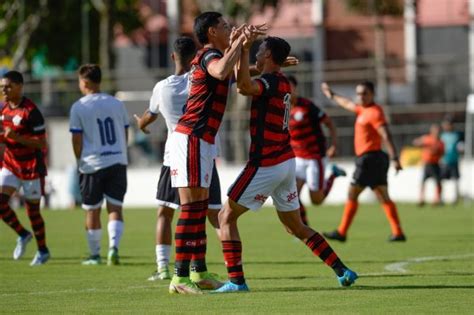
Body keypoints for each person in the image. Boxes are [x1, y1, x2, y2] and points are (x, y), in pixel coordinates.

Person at [214, 34, 358, 293]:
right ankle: (342, 270)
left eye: (261, 50)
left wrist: (243, 48)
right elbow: (243, 78)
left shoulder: (270, 82)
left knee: (225, 216)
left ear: (268, 56)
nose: (257, 52)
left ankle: (236, 282)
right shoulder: (280, 81)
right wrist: (246, 53)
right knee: (295, 227)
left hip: (266, 163)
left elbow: (244, 86)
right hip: (286, 162)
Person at [166, 12, 265, 295]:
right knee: (191, 208)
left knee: (199, 209)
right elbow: (222, 71)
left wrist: (250, 52)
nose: (229, 28)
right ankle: (179, 278)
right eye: (224, 26)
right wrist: (239, 43)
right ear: (211, 32)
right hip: (191, 138)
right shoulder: (208, 55)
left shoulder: (217, 56)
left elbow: (237, 75)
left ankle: (198, 273)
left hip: (203, 141)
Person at [134, 37, 222, 289]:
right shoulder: (203, 79)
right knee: (207, 212)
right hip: (204, 151)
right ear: (196, 56)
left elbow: (149, 117)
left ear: (173, 56)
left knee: (167, 211)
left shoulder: (162, 88)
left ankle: (165, 267)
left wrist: (141, 124)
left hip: (175, 154)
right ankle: (199, 269)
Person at [321, 81, 406, 242]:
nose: (360, 96)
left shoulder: (375, 112)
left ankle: (342, 232)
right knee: (383, 195)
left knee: (352, 193)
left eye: (364, 93)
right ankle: (398, 232)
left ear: (372, 94)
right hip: (373, 159)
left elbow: (385, 135)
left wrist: (395, 157)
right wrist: (331, 95)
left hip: (369, 159)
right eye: (359, 93)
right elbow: (347, 103)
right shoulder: (362, 109)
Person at [69, 64, 129, 266]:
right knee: (115, 208)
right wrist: (121, 152)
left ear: (84, 82)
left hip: (91, 164)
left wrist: (79, 160)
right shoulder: (117, 103)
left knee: (92, 210)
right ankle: (114, 248)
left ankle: (95, 255)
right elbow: (125, 132)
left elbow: (76, 140)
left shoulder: (78, 107)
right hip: (117, 161)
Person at [0, 70, 50, 265]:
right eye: (2, 86)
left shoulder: (31, 111)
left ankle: (43, 250)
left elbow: (42, 143)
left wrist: (17, 137)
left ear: (20, 87)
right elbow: (6, 136)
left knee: (33, 212)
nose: (4, 89)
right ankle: (22, 234)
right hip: (11, 165)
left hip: (31, 168)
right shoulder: (4, 110)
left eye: (8, 86)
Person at [287, 75, 346, 226]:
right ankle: (303, 228)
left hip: (315, 157)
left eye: (290, 87)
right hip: (297, 159)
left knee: (316, 200)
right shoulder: (283, 109)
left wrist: (334, 145)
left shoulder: (307, 106)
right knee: (292, 196)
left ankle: (333, 174)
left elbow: (329, 123)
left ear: (295, 89)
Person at [413, 124, 445, 206]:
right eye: (435, 130)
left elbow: (442, 152)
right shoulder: (427, 139)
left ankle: (437, 199)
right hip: (427, 164)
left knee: (438, 182)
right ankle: (421, 199)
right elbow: (416, 142)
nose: (437, 132)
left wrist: (437, 152)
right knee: (423, 182)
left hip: (435, 164)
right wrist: (421, 144)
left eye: (438, 130)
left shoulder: (441, 142)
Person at [440, 117, 463, 203]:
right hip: (444, 161)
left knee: (455, 179)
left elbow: (461, 146)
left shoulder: (457, 135)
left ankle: (455, 198)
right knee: (442, 179)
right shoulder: (442, 136)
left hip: (454, 161)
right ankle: (441, 197)